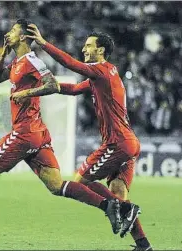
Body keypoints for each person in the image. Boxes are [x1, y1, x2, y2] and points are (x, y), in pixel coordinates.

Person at [0, 19, 130, 246]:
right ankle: (109, 205)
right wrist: (3, 54)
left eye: (13, 31)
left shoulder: (31, 61)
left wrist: (26, 94)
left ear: (24, 37)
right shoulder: (17, 63)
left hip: (25, 132)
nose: (8, 34)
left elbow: (51, 84)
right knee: (56, 186)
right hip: (36, 136)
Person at [11, 24, 152, 251]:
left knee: (79, 182)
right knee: (119, 197)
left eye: (89, 46)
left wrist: (43, 43)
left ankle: (122, 210)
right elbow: (75, 88)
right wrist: (49, 87)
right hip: (129, 143)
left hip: (117, 143)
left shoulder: (101, 70)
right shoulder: (105, 75)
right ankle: (143, 244)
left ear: (101, 50)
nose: (84, 49)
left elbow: (70, 64)